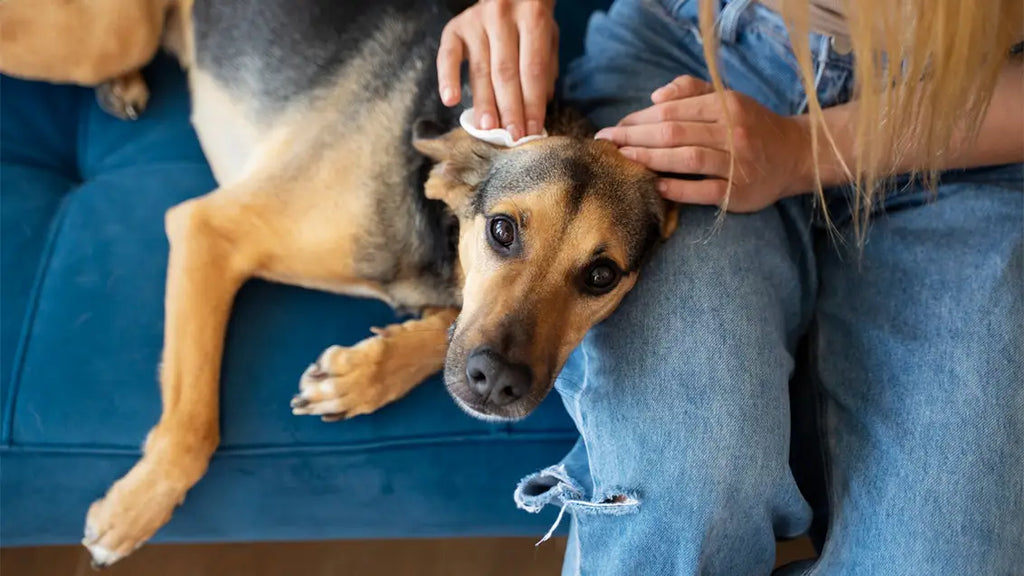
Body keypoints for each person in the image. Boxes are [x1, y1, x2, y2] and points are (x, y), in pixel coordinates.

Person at [437, 0, 1024, 574]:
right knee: (686, 482)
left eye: (596, 276)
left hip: (972, 120)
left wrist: (802, 152)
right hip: (694, 54)